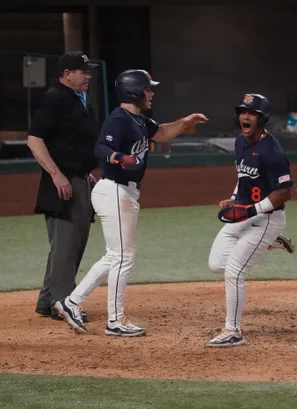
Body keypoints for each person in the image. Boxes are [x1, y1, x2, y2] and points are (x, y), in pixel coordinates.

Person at [53, 69, 208, 336]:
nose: (152, 93)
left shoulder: (139, 120)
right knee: (123, 257)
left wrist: (184, 122)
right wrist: (118, 158)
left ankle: (71, 302)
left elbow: (160, 133)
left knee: (115, 256)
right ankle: (115, 320)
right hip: (114, 190)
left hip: (123, 193)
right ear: (134, 91)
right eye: (148, 89)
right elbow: (101, 147)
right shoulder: (119, 119)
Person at [207, 93, 294, 347]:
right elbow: (244, 177)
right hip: (245, 213)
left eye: (252, 113)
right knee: (216, 264)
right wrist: (234, 198)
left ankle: (232, 330)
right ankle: (270, 242)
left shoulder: (272, 151)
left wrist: (251, 210)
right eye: (243, 112)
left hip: (266, 218)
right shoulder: (239, 143)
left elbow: (284, 192)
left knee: (235, 271)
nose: (245, 116)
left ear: (262, 119)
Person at [27, 51, 100, 322]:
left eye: (88, 71)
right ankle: (63, 303)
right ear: (67, 74)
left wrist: (89, 170)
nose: (88, 75)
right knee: (66, 246)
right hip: (62, 182)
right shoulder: (55, 98)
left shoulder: (81, 101)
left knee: (71, 244)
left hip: (79, 179)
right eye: (83, 71)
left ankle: (49, 300)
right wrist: (57, 175)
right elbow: (35, 139)